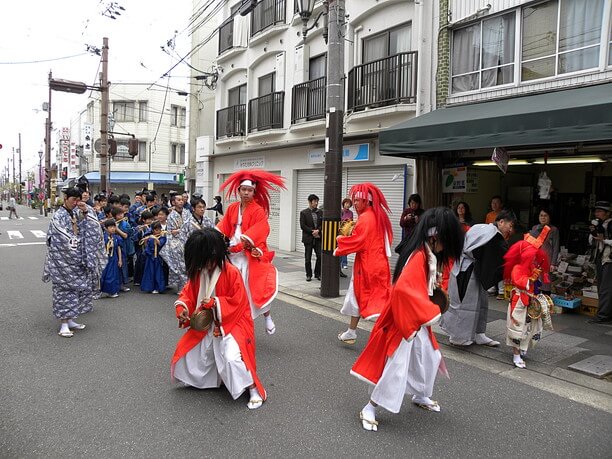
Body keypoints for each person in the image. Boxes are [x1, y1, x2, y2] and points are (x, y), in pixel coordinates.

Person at [351, 207, 465, 431]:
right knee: (397, 366)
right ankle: (370, 407)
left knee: (430, 357)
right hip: (404, 320)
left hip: (414, 318)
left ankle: (421, 395)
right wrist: (428, 310)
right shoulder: (420, 256)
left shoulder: (427, 254)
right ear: (435, 237)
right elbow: (404, 289)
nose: (446, 246)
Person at [171, 228, 267, 409]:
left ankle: (253, 388)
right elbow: (188, 294)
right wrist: (181, 307)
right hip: (209, 323)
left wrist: (215, 303)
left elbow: (238, 302)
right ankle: (207, 380)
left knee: (232, 357)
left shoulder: (231, 272)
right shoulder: (199, 272)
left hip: (233, 322)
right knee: (192, 352)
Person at [217, 169, 286, 335]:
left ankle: (267, 316)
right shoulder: (233, 208)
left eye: (249, 190)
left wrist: (239, 246)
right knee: (230, 290)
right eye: (243, 190)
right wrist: (216, 239)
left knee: (255, 289)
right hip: (232, 256)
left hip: (249, 256)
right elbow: (223, 228)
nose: (246, 193)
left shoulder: (258, 210)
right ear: (238, 191)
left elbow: (260, 231)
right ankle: (232, 321)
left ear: (254, 191)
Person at [441, 209, 517, 346]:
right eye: (510, 226)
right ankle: (458, 336)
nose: (510, 230)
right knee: (465, 303)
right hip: (467, 270)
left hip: (474, 269)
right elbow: (497, 253)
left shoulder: (481, 227)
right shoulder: (492, 234)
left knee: (481, 302)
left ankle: (478, 333)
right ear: (501, 222)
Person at [334, 183, 393, 345]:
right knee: (361, 297)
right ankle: (351, 332)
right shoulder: (376, 216)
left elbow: (358, 241)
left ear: (367, 201)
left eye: (358, 200)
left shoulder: (366, 218)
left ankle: (387, 334)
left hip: (368, 266)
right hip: (377, 264)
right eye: (355, 200)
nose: (355, 203)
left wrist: (340, 242)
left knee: (371, 301)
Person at [42, 187, 104, 338]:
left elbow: (92, 226)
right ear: (65, 199)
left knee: (77, 290)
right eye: (73, 200)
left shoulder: (77, 211)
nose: (76, 203)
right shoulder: (58, 215)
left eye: (78, 200)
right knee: (64, 290)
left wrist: (85, 212)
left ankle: (70, 319)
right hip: (63, 260)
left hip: (78, 258)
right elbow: (59, 234)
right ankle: (63, 323)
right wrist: (74, 242)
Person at [504, 226, 552, 368]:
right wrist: (531, 279)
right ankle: (516, 354)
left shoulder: (533, 266)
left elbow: (536, 283)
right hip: (519, 301)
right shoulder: (517, 267)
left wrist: (537, 276)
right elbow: (519, 282)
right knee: (518, 327)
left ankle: (522, 349)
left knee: (531, 327)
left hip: (531, 301)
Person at [161, 194, 192, 292]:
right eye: (178, 200)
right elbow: (172, 232)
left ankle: (188, 286)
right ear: (173, 202)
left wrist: (181, 230)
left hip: (187, 240)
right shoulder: (171, 216)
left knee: (188, 264)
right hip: (176, 242)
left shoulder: (188, 213)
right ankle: (181, 287)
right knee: (179, 264)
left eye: (182, 200)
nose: (181, 201)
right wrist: (181, 230)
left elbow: (190, 226)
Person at [588, 201, 612, 324]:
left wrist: (604, 240)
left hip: (608, 259)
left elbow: (606, 241)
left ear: (608, 213)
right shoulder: (599, 224)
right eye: (596, 211)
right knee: (602, 287)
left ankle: (603, 315)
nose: (597, 213)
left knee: (605, 288)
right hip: (601, 258)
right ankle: (604, 314)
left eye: (600, 211)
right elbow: (592, 242)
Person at [530, 207, 560, 294]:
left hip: (547, 260)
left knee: (546, 285)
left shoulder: (554, 230)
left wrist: (553, 263)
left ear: (549, 217)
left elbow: (555, 247)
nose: (543, 218)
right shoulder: (535, 228)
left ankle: (545, 305)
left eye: (545, 216)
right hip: (535, 260)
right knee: (534, 283)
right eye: (541, 215)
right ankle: (535, 306)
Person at [300, 194, 323, 282]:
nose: (316, 203)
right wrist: (312, 231)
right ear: (310, 202)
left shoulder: (320, 212)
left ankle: (317, 274)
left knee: (320, 256)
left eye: (317, 201)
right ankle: (308, 274)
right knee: (307, 257)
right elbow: (303, 225)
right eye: (314, 202)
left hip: (318, 237)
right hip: (308, 238)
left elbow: (322, 224)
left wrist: (318, 230)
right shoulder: (304, 212)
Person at [140, 222, 167, 294]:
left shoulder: (162, 237)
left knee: (158, 273)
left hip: (158, 257)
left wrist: (155, 238)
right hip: (150, 257)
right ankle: (150, 287)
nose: (158, 231)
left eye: (159, 230)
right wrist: (146, 241)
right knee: (149, 272)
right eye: (156, 230)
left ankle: (158, 288)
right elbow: (146, 247)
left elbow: (160, 243)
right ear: (153, 230)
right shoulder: (150, 237)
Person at [100, 219, 123, 298]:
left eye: (114, 227)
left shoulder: (116, 237)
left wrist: (120, 259)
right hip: (105, 258)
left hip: (114, 258)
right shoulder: (103, 237)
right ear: (106, 228)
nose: (113, 229)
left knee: (113, 275)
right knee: (104, 275)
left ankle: (112, 291)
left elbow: (118, 248)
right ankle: (99, 290)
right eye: (110, 227)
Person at [340, 198, 354, 271]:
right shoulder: (341, 212)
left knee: (345, 248)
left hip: (347, 232)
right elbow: (339, 221)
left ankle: (344, 263)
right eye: (346, 203)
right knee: (341, 248)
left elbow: (351, 222)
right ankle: (342, 263)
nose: (347, 205)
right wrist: (344, 220)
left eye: (349, 204)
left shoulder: (351, 213)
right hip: (341, 232)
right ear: (343, 204)